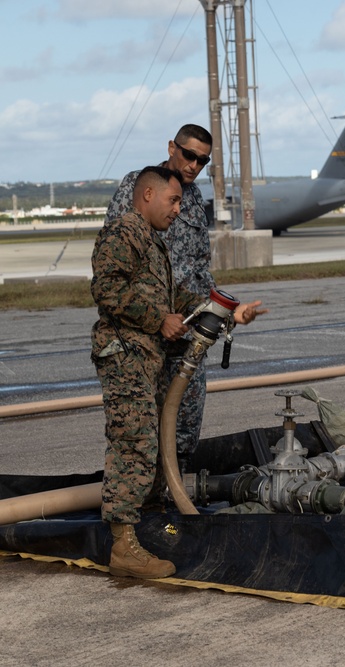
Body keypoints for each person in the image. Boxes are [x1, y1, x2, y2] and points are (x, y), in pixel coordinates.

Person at [92, 166, 265, 578]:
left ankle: (152, 526)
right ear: (147, 195)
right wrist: (158, 319)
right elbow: (107, 290)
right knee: (133, 444)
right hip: (125, 354)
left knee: (153, 444)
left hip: (145, 357)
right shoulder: (124, 234)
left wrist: (230, 313)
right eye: (172, 201)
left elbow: (178, 298)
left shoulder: (153, 242)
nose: (178, 209)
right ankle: (123, 546)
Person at [106, 124, 215, 464]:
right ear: (172, 148)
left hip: (188, 327)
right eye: (189, 156)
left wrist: (212, 307)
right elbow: (117, 267)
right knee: (141, 429)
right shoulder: (140, 187)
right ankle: (147, 509)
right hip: (147, 331)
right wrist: (156, 317)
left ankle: (175, 502)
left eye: (203, 161)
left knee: (185, 419)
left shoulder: (193, 196)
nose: (194, 165)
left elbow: (199, 261)